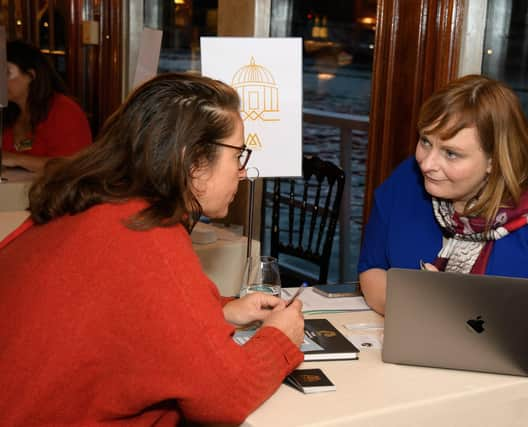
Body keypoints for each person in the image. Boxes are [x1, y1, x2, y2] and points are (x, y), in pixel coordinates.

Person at [0, 73, 305, 426]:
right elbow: (227, 395)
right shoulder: (145, 231)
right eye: (238, 155)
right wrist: (280, 338)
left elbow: (125, 311)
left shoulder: (97, 204)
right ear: (192, 161)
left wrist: (222, 310)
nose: (244, 172)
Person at [358, 74, 528, 427]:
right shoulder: (407, 182)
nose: (427, 162)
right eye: (425, 142)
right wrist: (435, 313)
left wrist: (451, 314)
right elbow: (371, 271)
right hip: (432, 380)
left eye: (451, 153)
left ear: (494, 159)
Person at [2, 40, 92, 172]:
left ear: (31, 75)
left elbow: (74, 165)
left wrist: (15, 159)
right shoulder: (9, 112)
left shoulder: (63, 110)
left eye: (6, 73)